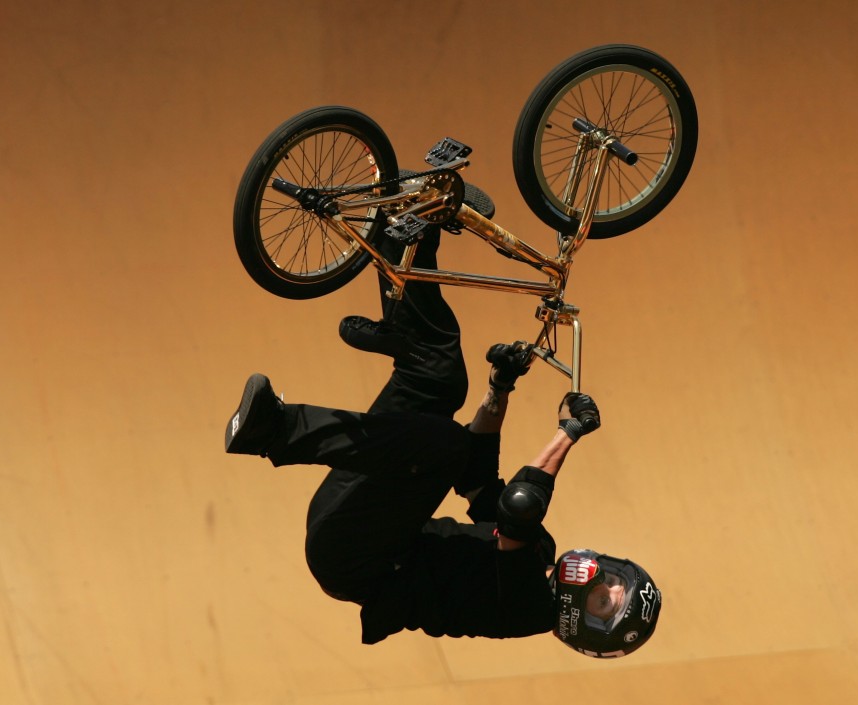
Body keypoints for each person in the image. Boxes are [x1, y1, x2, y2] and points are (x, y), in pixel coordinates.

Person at [224, 225, 661, 658]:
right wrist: (500, 387)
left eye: (604, 602)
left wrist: (570, 432)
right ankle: (402, 237)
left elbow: (519, 506)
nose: (599, 582)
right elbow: (479, 482)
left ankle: (274, 430)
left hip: (356, 556)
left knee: (445, 447)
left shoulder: (530, 610)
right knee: (440, 376)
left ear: (581, 626)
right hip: (363, 519)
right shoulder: (539, 550)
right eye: (612, 581)